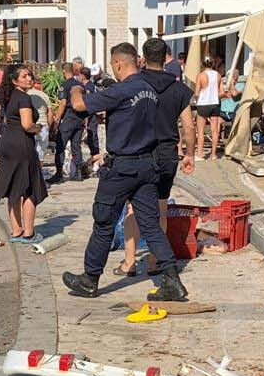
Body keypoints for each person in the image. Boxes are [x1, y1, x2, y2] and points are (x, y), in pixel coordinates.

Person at [62, 43, 188, 302]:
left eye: (113, 66)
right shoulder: (150, 91)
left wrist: (75, 85)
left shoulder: (121, 91)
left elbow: (78, 104)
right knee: (151, 226)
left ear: (119, 64)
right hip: (148, 166)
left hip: (122, 168)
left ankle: (89, 279)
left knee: (104, 221)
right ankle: (172, 280)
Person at [141, 36, 196, 249]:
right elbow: (188, 126)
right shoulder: (179, 89)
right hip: (167, 153)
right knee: (161, 208)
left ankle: (129, 262)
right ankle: (155, 258)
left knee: (134, 208)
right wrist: (190, 154)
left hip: (140, 152)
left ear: (143, 58)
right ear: (166, 58)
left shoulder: (136, 84)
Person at [0, 63, 46, 242]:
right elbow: (26, 124)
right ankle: (29, 233)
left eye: (30, 75)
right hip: (21, 144)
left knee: (13, 188)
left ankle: (16, 231)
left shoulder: (8, 97)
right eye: (24, 76)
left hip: (7, 142)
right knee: (30, 188)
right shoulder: (23, 98)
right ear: (15, 80)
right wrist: (37, 128)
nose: (29, 78)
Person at [51, 59, 89, 182]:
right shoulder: (80, 85)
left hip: (69, 117)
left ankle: (59, 174)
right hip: (80, 118)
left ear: (64, 72)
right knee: (76, 145)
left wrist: (56, 119)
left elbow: (62, 104)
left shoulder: (65, 85)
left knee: (61, 144)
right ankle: (77, 173)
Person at [194, 53, 223, 159]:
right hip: (214, 103)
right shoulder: (218, 75)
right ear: (213, 63)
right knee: (215, 130)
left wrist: (197, 99)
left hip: (203, 104)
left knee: (200, 130)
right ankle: (214, 154)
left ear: (202, 63)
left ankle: (200, 153)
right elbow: (222, 92)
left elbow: (197, 93)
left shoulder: (200, 75)